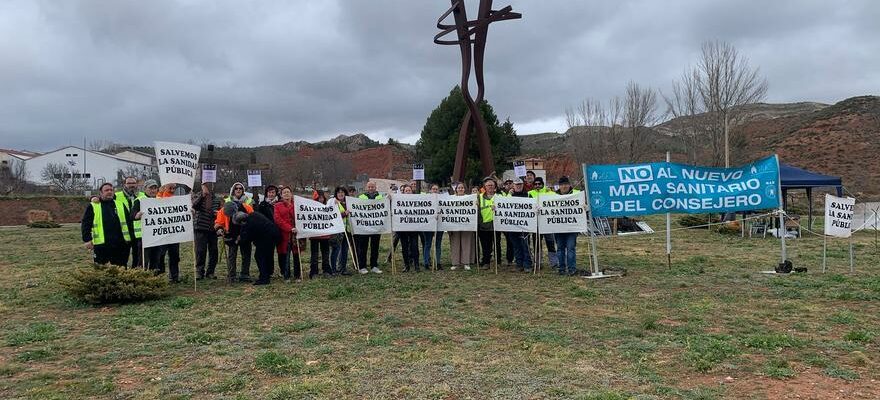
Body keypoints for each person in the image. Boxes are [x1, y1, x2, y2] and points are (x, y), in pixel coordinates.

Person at [82, 182, 132, 266]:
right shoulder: (93, 205)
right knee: (101, 269)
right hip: (102, 244)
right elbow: (86, 223)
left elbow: (128, 222)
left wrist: (130, 239)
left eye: (111, 190)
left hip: (120, 244)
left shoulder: (120, 204)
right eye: (106, 190)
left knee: (122, 268)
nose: (109, 192)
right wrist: (87, 239)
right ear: (101, 193)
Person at [215, 182, 255, 283]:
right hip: (231, 234)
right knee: (232, 255)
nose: (238, 190)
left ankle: (244, 274)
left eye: (240, 188)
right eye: (236, 188)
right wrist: (219, 228)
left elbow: (253, 220)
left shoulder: (248, 206)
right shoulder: (226, 206)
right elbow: (219, 221)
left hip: (244, 235)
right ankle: (231, 275)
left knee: (246, 254)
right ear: (233, 191)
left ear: (243, 191)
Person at [234, 210, 280, 285]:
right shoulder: (254, 214)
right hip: (274, 233)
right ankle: (268, 273)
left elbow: (247, 238)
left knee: (259, 256)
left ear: (242, 221)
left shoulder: (249, 224)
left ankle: (264, 278)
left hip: (266, 237)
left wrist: (239, 240)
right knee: (268, 255)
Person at [552, 176, 581, 276]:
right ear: (559, 186)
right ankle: (561, 268)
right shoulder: (552, 196)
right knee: (560, 249)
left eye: (566, 184)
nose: (564, 186)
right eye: (562, 185)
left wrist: (584, 206)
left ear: (569, 185)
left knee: (570, 248)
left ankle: (572, 268)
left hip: (572, 228)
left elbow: (583, 205)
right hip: (558, 228)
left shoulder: (577, 194)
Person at [192, 183, 222, 279]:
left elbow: (220, 213)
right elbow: (194, 206)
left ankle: (210, 272)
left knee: (213, 251)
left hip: (212, 228)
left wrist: (217, 214)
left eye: (211, 185)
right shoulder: (199, 196)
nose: (209, 187)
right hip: (200, 227)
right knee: (200, 251)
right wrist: (203, 195)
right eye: (206, 185)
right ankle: (199, 271)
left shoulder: (216, 199)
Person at [131, 180, 161, 271]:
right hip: (144, 236)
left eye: (155, 188)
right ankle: (142, 280)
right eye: (150, 188)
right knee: (144, 260)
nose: (153, 190)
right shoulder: (139, 201)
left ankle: (154, 280)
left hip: (157, 235)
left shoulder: (160, 200)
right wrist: (137, 215)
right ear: (145, 189)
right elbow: (132, 215)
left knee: (156, 259)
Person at [274, 186, 302, 282]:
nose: (286, 194)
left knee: (296, 255)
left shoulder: (297, 205)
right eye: (284, 192)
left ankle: (297, 275)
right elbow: (278, 220)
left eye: (288, 192)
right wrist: (290, 228)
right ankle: (286, 275)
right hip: (284, 234)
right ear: (281, 195)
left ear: (291, 194)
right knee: (285, 255)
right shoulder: (277, 206)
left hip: (296, 234)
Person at [529, 177, 558, 270]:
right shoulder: (530, 193)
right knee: (536, 243)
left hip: (547, 222)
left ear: (542, 184)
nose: (537, 186)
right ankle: (537, 262)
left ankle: (554, 262)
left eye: (539, 184)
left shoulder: (549, 192)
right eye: (535, 184)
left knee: (550, 242)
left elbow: (559, 199)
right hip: (535, 223)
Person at [355, 181, 384, 274]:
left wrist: (389, 199)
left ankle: (374, 266)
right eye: (369, 187)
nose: (371, 188)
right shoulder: (361, 197)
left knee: (375, 247)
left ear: (375, 188)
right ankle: (362, 266)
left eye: (373, 187)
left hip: (376, 227)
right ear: (366, 188)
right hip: (364, 227)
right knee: (363, 247)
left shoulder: (380, 197)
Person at [156, 183, 181, 283]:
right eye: (170, 188)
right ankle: (161, 276)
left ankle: (174, 277)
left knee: (175, 255)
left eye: (174, 188)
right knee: (161, 255)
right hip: (162, 232)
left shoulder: (176, 198)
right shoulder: (159, 196)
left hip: (174, 232)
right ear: (165, 187)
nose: (172, 190)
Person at [115, 176, 142, 267]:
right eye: (129, 183)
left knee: (138, 257)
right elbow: (104, 198)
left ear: (137, 184)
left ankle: (136, 275)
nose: (132, 185)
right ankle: (123, 276)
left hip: (138, 232)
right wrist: (93, 197)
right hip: (123, 232)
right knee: (122, 257)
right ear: (124, 184)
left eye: (133, 183)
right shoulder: (117, 196)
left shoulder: (142, 195)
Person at [448, 182, 475, 271]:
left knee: (466, 242)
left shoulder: (470, 198)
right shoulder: (451, 199)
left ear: (465, 189)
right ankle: (455, 263)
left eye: (462, 188)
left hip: (466, 224)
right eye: (459, 188)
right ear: (456, 189)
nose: (460, 189)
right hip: (454, 225)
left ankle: (466, 262)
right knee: (455, 243)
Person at [509, 178, 533, 272]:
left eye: (520, 184)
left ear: (523, 185)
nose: (518, 186)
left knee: (525, 245)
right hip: (512, 226)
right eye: (516, 185)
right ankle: (519, 265)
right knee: (516, 246)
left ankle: (527, 264)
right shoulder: (509, 196)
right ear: (513, 186)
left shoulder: (528, 195)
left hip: (525, 226)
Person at [477, 177, 502, 270]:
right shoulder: (479, 197)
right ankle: (486, 262)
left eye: (492, 185)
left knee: (497, 244)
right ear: (485, 187)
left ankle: (498, 262)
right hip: (484, 225)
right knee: (485, 245)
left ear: (495, 186)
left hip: (496, 224)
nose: (490, 187)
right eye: (488, 185)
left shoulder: (499, 196)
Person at [308, 190, 333, 278]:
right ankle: (314, 272)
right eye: (318, 198)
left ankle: (326, 270)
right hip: (314, 235)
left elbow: (334, 215)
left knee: (325, 254)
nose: (320, 200)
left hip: (325, 235)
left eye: (321, 198)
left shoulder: (327, 207)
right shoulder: (310, 208)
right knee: (314, 255)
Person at [397, 185, 422, 272]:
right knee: (404, 248)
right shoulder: (398, 200)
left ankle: (416, 265)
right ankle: (406, 265)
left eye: (409, 190)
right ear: (403, 192)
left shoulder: (416, 199)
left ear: (412, 191)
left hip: (414, 228)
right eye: (406, 191)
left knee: (414, 246)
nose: (408, 192)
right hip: (402, 228)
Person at [330, 186, 353, 276]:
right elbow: (331, 215)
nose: (341, 194)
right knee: (336, 250)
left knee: (344, 250)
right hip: (337, 230)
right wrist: (344, 214)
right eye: (339, 192)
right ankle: (333, 269)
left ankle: (343, 268)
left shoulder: (348, 202)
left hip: (347, 230)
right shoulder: (332, 202)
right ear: (336, 194)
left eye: (342, 192)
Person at [421, 184, 444, 270]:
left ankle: (438, 263)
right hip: (428, 225)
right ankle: (426, 262)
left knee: (438, 244)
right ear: (430, 190)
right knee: (428, 244)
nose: (435, 190)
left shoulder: (442, 199)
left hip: (439, 225)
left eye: (436, 189)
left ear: (438, 190)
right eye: (433, 189)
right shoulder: (426, 199)